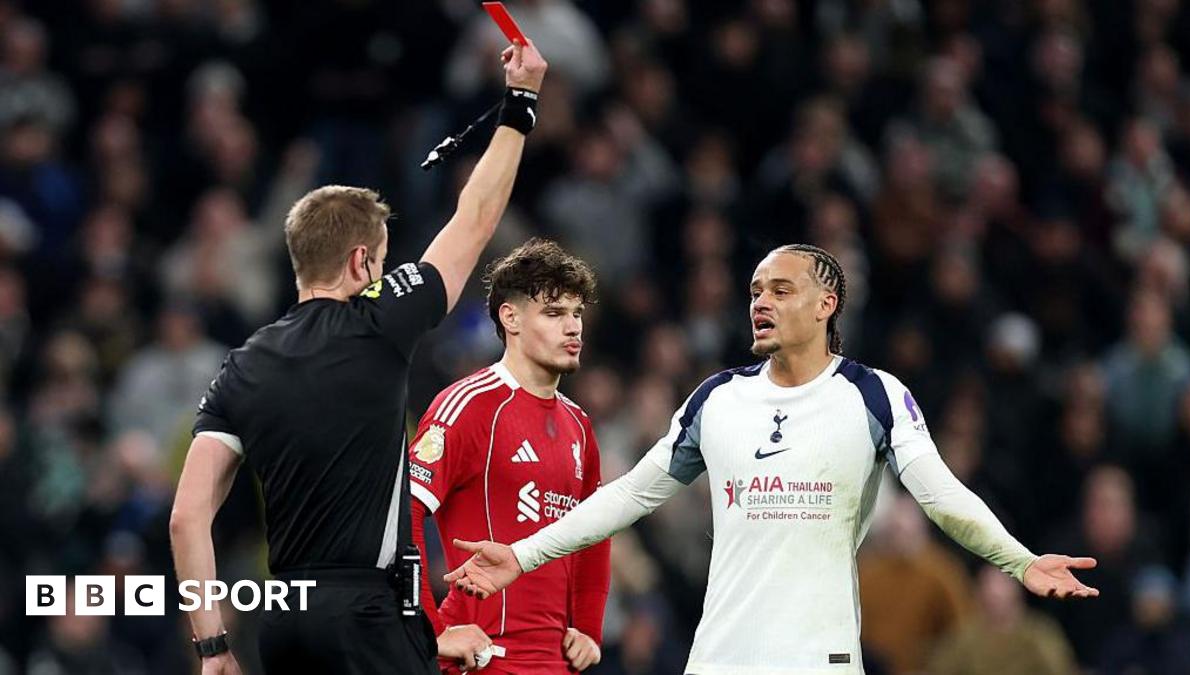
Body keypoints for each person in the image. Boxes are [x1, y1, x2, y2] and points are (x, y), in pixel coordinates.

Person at [443, 244, 1100, 674]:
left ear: (826, 305)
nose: (760, 302)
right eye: (756, 290)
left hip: (819, 657)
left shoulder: (873, 395)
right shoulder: (717, 398)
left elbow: (941, 496)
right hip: (719, 658)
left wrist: (1018, 559)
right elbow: (630, 493)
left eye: (781, 290)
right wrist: (522, 554)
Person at [168, 41, 548, 675]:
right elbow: (476, 217)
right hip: (369, 616)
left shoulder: (241, 365)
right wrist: (521, 103)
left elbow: (187, 517)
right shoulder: (378, 321)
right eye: (382, 259)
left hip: (285, 619)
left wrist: (212, 648)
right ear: (360, 262)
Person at [408, 238, 610, 673]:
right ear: (510, 317)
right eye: (554, 313)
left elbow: (596, 530)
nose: (573, 328)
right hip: (486, 660)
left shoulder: (579, 424)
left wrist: (588, 627)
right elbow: (403, 514)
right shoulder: (468, 406)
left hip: (557, 664)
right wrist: (428, 630)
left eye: (576, 313)